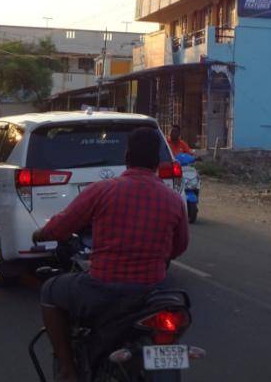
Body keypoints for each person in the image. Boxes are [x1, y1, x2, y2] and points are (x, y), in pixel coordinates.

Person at [32, 127, 189, 382]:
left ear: (127, 156)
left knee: (50, 291)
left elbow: (62, 225)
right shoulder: (173, 200)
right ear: (157, 162)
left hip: (104, 288)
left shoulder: (103, 190)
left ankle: (68, 369)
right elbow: (179, 246)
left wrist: (40, 234)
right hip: (153, 291)